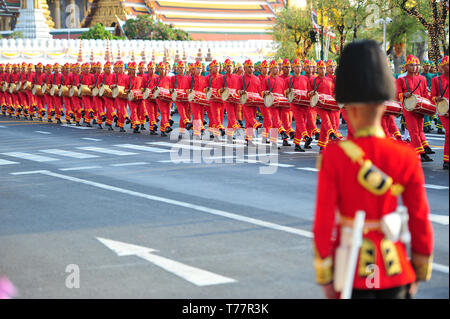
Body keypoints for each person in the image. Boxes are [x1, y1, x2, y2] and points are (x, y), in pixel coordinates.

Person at [313, 40, 433, 299]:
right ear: (384, 102)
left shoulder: (334, 155)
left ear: (348, 106)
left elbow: (323, 224)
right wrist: (419, 270)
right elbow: (420, 218)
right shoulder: (406, 155)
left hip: (352, 271)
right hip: (396, 270)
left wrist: (325, 274)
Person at [397, 55, 434, 162]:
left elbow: (425, 94)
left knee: (419, 129)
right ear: (406, 66)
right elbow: (397, 95)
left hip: (420, 109)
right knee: (413, 131)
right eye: (412, 65)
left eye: (417, 65)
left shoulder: (422, 79)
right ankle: (420, 153)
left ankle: (421, 149)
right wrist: (404, 94)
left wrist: (429, 106)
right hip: (408, 109)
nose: (415, 67)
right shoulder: (401, 80)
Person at [430, 55, 449, 170]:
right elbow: (431, 96)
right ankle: (446, 160)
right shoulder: (435, 80)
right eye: (447, 64)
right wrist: (437, 99)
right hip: (443, 111)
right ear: (442, 67)